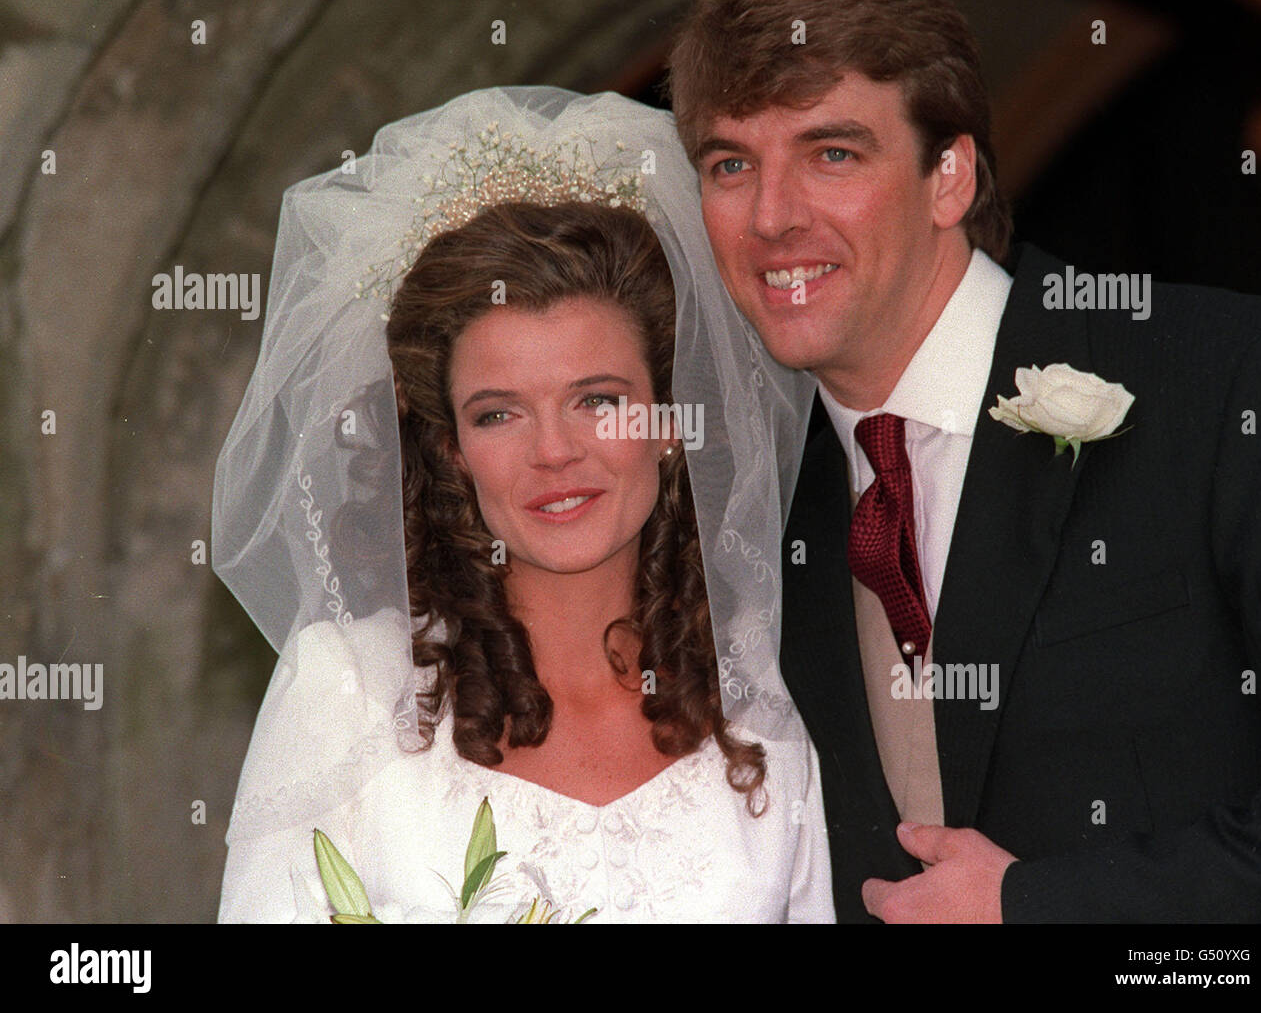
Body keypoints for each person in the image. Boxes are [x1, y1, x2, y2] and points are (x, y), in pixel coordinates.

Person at [666, 0, 1261, 922]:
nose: (772, 216)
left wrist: (1039, 905)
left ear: (949, 177)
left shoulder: (1230, 383)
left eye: (831, 153)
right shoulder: (748, 504)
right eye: (729, 163)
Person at [213, 87, 833, 923]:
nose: (553, 451)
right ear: (451, 449)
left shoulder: (761, 707)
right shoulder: (349, 692)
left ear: (669, 424)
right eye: (498, 413)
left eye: (598, 399)